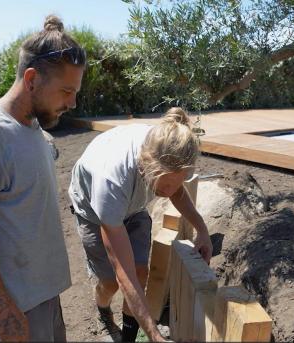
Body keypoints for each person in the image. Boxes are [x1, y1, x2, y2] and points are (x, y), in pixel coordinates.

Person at [0, 15, 85, 342]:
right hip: (14, 307)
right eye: (66, 91)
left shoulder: (32, 125)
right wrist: (3, 308)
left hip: (42, 295)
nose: (73, 102)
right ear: (31, 79)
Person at [68, 107, 213, 342]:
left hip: (132, 208)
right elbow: (124, 275)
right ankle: (103, 310)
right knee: (111, 283)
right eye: (164, 185)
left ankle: (128, 337)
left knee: (141, 273)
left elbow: (176, 192)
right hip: (94, 213)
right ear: (145, 166)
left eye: (176, 183)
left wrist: (202, 230)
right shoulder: (111, 180)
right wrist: (155, 336)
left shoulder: (168, 147)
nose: (169, 192)